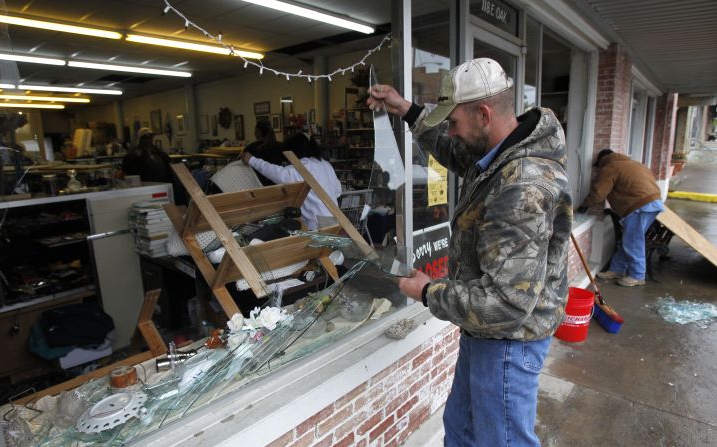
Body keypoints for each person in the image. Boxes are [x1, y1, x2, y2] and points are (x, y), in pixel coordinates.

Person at [368, 58, 572, 446]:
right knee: (461, 428)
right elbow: (453, 152)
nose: (450, 131)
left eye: (454, 122)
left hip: (508, 341)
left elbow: (506, 306)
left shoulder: (521, 187)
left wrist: (427, 292)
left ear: (483, 114)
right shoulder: (499, 154)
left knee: (503, 439)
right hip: (486, 335)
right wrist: (406, 109)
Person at [578, 148, 664, 286]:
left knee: (633, 241)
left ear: (602, 160)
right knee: (629, 239)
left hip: (639, 206)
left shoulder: (610, 167)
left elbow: (599, 192)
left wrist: (584, 206)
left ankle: (637, 275)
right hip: (653, 202)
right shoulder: (631, 163)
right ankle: (617, 270)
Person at [241, 133, 341, 231]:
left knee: (320, 246)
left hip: (317, 220)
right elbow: (338, 191)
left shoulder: (303, 167)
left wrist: (252, 160)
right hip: (333, 216)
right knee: (331, 245)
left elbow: (278, 174)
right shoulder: (325, 164)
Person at [122, 127, 185, 204]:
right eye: (145, 138)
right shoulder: (135, 153)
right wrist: (135, 157)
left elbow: (168, 163)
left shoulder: (158, 152)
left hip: (162, 185)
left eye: (150, 137)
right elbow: (127, 168)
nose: (148, 140)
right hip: (147, 187)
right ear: (140, 140)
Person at [243, 120, 284, 186]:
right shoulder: (281, 146)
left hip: (257, 185)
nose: (254, 133)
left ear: (259, 132)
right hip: (278, 183)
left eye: (255, 131)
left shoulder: (252, 148)